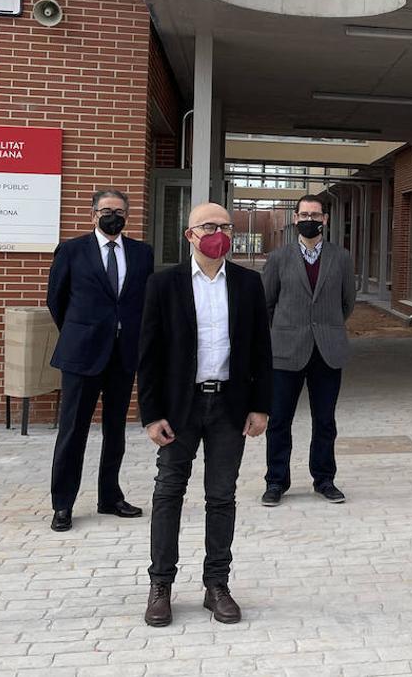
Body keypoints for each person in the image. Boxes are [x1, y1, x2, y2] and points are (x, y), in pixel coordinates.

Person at [137, 202, 272, 627]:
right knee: (169, 492)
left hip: (229, 407)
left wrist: (261, 406)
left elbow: (261, 352)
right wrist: (151, 413)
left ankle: (217, 585)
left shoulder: (249, 284)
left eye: (226, 226)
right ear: (190, 234)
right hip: (181, 406)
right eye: (209, 226)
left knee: (222, 495)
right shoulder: (164, 285)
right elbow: (149, 355)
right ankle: (161, 586)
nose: (219, 233)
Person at [46, 189, 154, 532]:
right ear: (93, 214)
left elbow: (143, 301)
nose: (114, 216)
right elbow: (56, 299)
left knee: (115, 430)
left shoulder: (141, 253)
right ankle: (63, 504)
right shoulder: (72, 250)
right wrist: (82, 331)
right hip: (82, 355)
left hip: (123, 355)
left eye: (120, 211)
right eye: (107, 210)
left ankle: (110, 496)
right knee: (73, 431)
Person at [260, 194, 356, 506]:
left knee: (325, 420)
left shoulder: (341, 258)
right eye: (304, 214)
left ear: (325, 219)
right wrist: (286, 330)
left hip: (327, 350)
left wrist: (324, 326)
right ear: (295, 219)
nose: (309, 219)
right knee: (279, 420)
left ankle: (324, 479)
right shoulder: (278, 258)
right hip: (286, 351)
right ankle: (276, 481)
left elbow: (347, 303)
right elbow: (267, 304)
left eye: (315, 214)